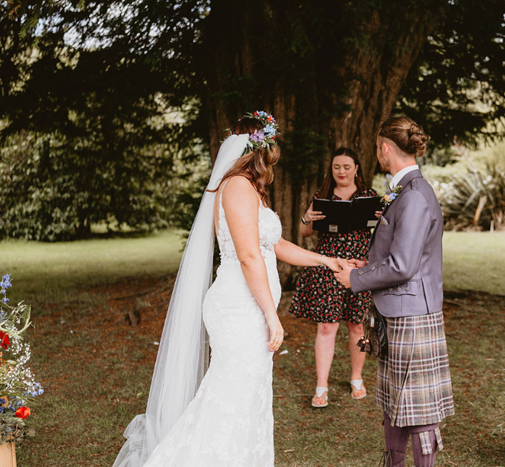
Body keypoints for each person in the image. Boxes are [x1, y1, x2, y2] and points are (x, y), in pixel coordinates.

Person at [113, 112, 340, 467]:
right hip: (239, 308)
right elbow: (249, 257)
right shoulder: (235, 187)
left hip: (250, 307)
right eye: (270, 148)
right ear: (258, 150)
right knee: (231, 394)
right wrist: (270, 313)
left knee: (248, 395)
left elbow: (274, 244)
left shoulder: (252, 190)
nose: (272, 156)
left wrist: (325, 260)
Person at [334, 116, 454, 467]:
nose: (377, 155)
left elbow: (403, 266)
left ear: (385, 148)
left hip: (413, 315)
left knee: (419, 410)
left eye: (376, 148)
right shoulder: (407, 192)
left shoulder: (415, 196)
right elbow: (398, 256)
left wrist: (355, 281)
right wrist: (365, 266)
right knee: (395, 404)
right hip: (400, 312)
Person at [288, 148, 378, 408]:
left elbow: (384, 233)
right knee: (326, 327)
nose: (341, 171)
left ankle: (356, 377)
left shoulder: (369, 196)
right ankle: (321, 385)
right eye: (337, 166)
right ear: (332, 169)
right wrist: (306, 218)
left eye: (347, 166)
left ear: (357, 169)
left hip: (359, 266)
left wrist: (382, 221)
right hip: (328, 267)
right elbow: (304, 232)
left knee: (357, 325)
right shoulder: (323, 196)